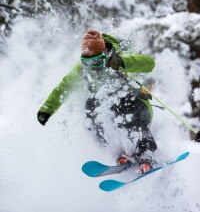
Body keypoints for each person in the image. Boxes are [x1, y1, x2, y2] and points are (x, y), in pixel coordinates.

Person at [37, 29, 157, 174]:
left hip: (137, 107)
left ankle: (146, 152)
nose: (93, 65)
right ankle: (118, 150)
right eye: (88, 62)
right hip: (111, 112)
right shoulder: (83, 70)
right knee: (91, 106)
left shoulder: (119, 56)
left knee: (123, 103)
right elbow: (65, 86)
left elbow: (149, 64)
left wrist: (122, 62)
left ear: (105, 54)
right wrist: (47, 109)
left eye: (97, 60)